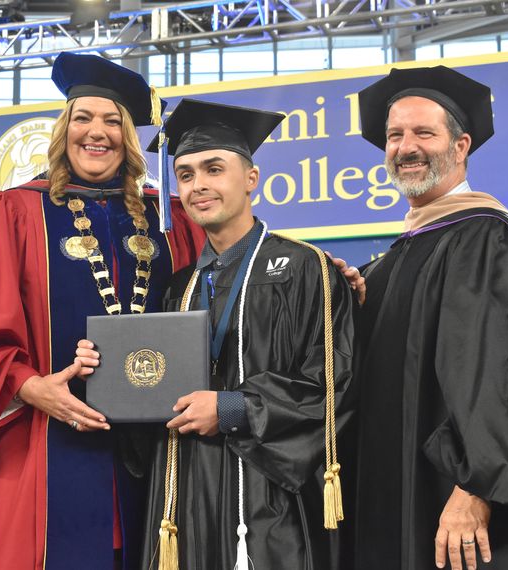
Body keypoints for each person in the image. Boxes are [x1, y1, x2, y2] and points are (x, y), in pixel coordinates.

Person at [0, 52, 205, 570]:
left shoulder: (171, 220)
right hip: (40, 447)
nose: (97, 133)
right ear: (63, 128)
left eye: (113, 120)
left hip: (160, 456)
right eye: (83, 118)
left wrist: (326, 273)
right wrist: (29, 386)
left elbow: (232, 288)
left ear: (129, 136)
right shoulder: (10, 214)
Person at [78, 98, 356, 569]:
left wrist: (230, 408)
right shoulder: (176, 286)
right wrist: (106, 376)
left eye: (213, 169)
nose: (197, 186)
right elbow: (151, 395)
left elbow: (333, 385)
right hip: (184, 490)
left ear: (251, 179)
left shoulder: (305, 268)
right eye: (185, 175)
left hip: (267, 496)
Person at [351, 65, 508, 570]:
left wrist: (476, 489)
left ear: (460, 147)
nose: (406, 146)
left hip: (464, 510)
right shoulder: (391, 262)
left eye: (423, 133)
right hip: (396, 502)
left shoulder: (488, 238)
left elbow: (506, 375)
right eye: (394, 135)